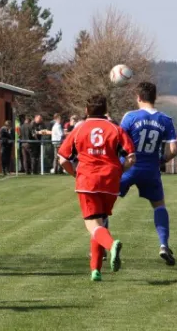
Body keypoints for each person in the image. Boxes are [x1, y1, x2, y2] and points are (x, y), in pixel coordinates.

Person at [58, 94, 136, 281]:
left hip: (88, 180)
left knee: (92, 225)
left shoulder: (79, 129)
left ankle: (111, 245)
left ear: (86, 110)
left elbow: (62, 159)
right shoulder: (116, 129)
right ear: (106, 110)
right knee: (99, 224)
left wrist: (75, 174)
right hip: (110, 181)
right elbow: (132, 157)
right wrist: (119, 169)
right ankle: (95, 270)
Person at [120, 82, 177, 265]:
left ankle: (101, 248)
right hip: (151, 169)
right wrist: (162, 160)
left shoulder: (130, 117)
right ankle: (163, 244)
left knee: (106, 204)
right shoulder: (165, 119)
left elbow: (118, 142)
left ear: (138, 97)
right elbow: (174, 148)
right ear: (155, 97)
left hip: (128, 168)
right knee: (159, 206)